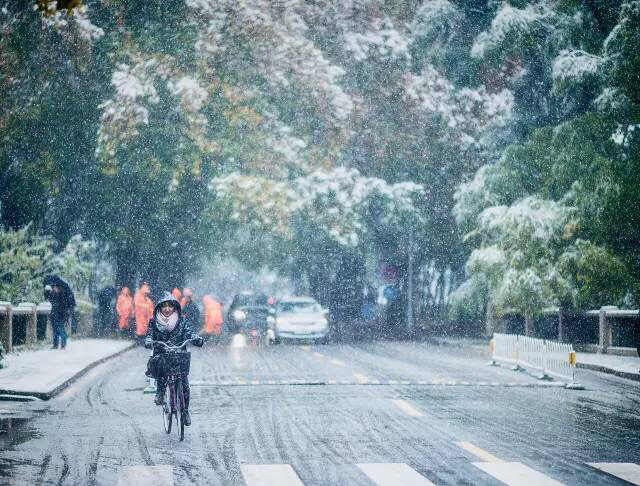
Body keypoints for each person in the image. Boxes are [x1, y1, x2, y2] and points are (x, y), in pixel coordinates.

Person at [144, 293, 203, 426]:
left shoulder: (182, 321)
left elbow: (189, 332)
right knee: (162, 370)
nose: (167, 309)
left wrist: (196, 339)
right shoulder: (153, 321)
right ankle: (160, 393)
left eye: (170, 305)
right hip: (162, 353)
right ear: (159, 308)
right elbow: (149, 335)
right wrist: (149, 341)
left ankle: (185, 411)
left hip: (179, 353)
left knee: (184, 382)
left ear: (175, 307)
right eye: (164, 306)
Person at [43, 275, 76, 349]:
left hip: (61, 313)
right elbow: (47, 298)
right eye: (53, 286)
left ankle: (63, 343)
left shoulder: (63, 294)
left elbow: (64, 305)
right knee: (55, 328)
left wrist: (65, 312)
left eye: (54, 286)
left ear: (57, 286)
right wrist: (47, 292)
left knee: (60, 327)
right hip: (54, 313)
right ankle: (55, 345)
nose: (53, 287)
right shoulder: (53, 293)